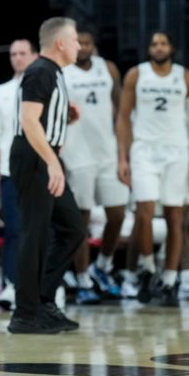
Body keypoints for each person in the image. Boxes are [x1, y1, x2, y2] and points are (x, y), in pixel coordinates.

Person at [116, 31, 189, 305]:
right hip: (144, 150)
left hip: (176, 151)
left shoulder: (184, 76)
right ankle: (147, 267)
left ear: (172, 48)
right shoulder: (136, 74)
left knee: (175, 217)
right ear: (149, 49)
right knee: (143, 213)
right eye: (154, 43)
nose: (158, 47)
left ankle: (169, 280)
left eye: (163, 43)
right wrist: (122, 157)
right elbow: (123, 118)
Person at [8, 17, 86, 334]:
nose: (79, 45)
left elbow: (41, 116)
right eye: (76, 39)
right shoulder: (40, 70)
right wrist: (53, 163)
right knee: (34, 233)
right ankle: (25, 314)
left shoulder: (53, 72)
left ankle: (43, 299)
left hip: (43, 155)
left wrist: (65, 116)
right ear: (60, 43)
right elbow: (28, 121)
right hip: (34, 157)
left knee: (73, 228)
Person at [60, 27, 128, 304]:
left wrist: (124, 154)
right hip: (77, 155)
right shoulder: (62, 72)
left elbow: (122, 113)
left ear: (94, 45)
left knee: (118, 214)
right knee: (82, 221)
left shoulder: (107, 68)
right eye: (79, 43)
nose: (83, 47)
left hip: (108, 153)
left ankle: (104, 266)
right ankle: (83, 277)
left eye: (87, 42)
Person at [0, 39, 38, 309]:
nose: (17, 58)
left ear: (34, 55)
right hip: (8, 169)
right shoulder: (2, 92)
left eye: (22, 53)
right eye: (13, 53)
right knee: (14, 229)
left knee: (37, 228)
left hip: (39, 168)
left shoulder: (44, 86)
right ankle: (11, 284)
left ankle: (38, 285)